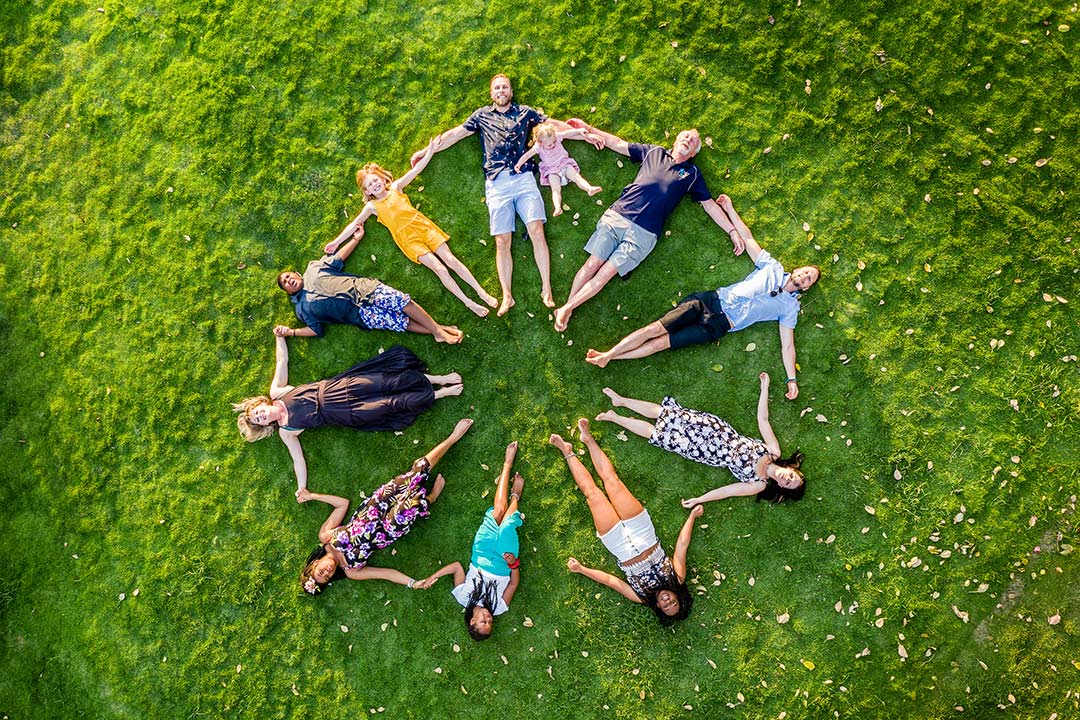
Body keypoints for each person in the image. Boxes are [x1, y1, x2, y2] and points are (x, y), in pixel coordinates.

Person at [585, 194, 820, 400]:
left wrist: (792, 379)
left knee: (660, 344)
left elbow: (787, 345)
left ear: (806, 288)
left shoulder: (788, 309)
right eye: (806, 271)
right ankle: (609, 354)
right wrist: (729, 208)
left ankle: (611, 358)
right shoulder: (772, 267)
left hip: (719, 325)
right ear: (798, 269)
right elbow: (748, 239)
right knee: (653, 330)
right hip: (708, 302)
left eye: (810, 279)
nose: (805, 276)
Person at [415, 74, 598, 315]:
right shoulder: (481, 116)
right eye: (497, 87)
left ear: (511, 92)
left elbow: (554, 126)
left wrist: (586, 133)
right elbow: (455, 134)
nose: (501, 90)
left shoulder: (525, 113)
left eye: (505, 87)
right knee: (502, 242)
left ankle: (546, 288)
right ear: (492, 94)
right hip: (496, 183)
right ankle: (507, 296)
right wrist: (427, 151)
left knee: (537, 230)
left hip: (523, 179)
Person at [552, 120, 744, 332]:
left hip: (643, 235)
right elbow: (617, 143)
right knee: (591, 265)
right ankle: (567, 309)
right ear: (676, 139)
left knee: (605, 274)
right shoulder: (654, 152)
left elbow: (709, 205)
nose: (688, 139)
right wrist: (588, 128)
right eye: (685, 135)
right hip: (619, 216)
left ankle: (566, 308)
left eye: (693, 141)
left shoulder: (692, 174)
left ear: (693, 154)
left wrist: (732, 231)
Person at [233, 335, 462, 498]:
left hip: (342, 388)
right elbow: (298, 460)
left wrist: (279, 337)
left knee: (391, 381)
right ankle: (442, 393)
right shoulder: (287, 430)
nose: (262, 415)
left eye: (258, 412)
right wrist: (302, 487)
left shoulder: (278, 392)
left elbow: (282, 361)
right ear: (265, 425)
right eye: (260, 420)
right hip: (347, 414)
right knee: (391, 404)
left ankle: (440, 378)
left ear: (262, 403)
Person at [549, 418, 702, 625]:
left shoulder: (639, 597)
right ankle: (588, 439)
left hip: (619, 545)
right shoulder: (678, 578)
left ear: (659, 607)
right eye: (673, 602)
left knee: (592, 494)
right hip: (644, 533)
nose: (667, 601)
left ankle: (566, 450)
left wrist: (582, 569)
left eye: (666, 606)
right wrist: (691, 517)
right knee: (612, 481)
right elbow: (682, 546)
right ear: (677, 596)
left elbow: (612, 582)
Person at [324, 137, 498, 318]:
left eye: (375, 180)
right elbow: (355, 224)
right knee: (440, 269)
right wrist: (336, 242)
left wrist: (430, 150)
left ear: (382, 179)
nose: (375, 184)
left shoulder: (396, 188)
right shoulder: (372, 207)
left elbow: (415, 170)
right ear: (367, 192)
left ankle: (481, 292)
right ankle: (468, 302)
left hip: (423, 227)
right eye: (370, 185)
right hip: (408, 240)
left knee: (451, 260)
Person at [297, 419, 474, 595]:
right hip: (388, 529)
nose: (327, 572)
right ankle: (431, 497)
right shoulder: (351, 571)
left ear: (314, 564)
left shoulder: (326, 537)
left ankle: (453, 438)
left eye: (321, 572)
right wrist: (413, 583)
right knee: (405, 509)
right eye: (327, 577)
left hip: (374, 507)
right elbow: (386, 574)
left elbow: (342, 504)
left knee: (416, 473)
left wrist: (312, 496)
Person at [595, 375, 806, 506]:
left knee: (658, 435)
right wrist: (764, 389)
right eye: (791, 475)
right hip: (716, 430)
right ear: (789, 468)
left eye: (788, 483)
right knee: (665, 413)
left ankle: (615, 417)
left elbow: (727, 492)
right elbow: (763, 419)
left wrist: (700, 499)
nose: (787, 478)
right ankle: (621, 401)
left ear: (780, 486)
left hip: (704, 451)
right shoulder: (773, 451)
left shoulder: (758, 484)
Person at [273, 225, 462, 344]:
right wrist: (291, 332)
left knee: (404, 303)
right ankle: (440, 330)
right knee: (401, 323)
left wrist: (356, 239)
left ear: (297, 274)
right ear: (288, 291)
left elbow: (338, 258)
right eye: (285, 283)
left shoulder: (314, 269)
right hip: (359, 315)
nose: (288, 280)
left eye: (288, 276)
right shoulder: (301, 310)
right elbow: (316, 330)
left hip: (365, 290)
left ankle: (439, 332)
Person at [417, 441, 525, 641]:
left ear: (472, 621)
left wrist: (434, 576)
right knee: (508, 525)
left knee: (499, 512)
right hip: (504, 562)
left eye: (484, 622)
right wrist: (513, 564)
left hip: (481, 552)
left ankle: (507, 464)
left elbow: (457, 567)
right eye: (490, 622)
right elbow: (512, 585)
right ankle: (515, 495)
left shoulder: (462, 597)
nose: (488, 618)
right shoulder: (499, 608)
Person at [514, 122, 601, 216]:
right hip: (552, 170)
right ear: (540, 142)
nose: (552, 145)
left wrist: (578, 131)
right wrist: (519, 164)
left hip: (564, 164)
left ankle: (589, 189)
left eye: (554, 142)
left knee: (577, 177)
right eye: (549, 145)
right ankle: (558, 207)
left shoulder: (557, 136)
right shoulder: (538, 147)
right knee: (555, 189)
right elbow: (527, 155)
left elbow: (568, 133)